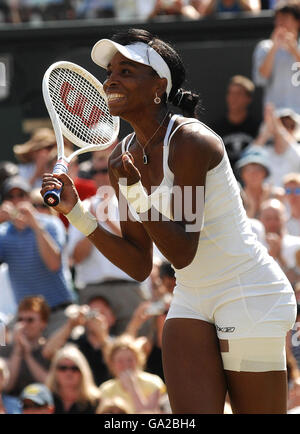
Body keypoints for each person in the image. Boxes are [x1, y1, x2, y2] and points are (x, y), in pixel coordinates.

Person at [41, 28, 297, 414]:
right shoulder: (120, 158)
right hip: (193, 297)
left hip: (250, 293)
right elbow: (140, 264)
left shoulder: (191, 141)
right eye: (111, 71)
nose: (110, 79)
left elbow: (183, 252)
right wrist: (76, 213)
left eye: (126, 71)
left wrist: (137, 195)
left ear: (159, 86)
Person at [67, 150, 147, 335]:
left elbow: (137, 248)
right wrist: (92, 225)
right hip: (93, 291)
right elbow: (76, 258)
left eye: (105, 170)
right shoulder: (83, 207)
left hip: (129, 288)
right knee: (94, 350)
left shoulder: (133, 204)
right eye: (96, 172)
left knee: (134, 349)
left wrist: (108, 222)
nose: (101, 176)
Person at [0, 175, 74, 335]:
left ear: (29, 198)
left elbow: (54, 264)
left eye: (21, 195)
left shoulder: (50, 223)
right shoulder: (3, 232)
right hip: (26, 318)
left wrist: (34, 225)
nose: (16, 201)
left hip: (57, 312)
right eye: (10, 197)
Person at [43, 295, 115, 386]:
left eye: (101, 313)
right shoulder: (76, 343)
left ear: (112, 318)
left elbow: (115, 367)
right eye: (92, 313)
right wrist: (70, 326)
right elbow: (48, 352)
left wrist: (102, 337)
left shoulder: (116, 343)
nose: (96, 317)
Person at [252, 0, 300, 113]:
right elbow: (262, 77)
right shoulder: (264, 47)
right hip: (274, 116)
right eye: (278, 19)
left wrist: (294, 50)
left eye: (285, 18)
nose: (280, 23)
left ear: (297, 22)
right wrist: (274, 47)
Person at [99, 334, 167, 414]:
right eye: (120, 361)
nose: (126, 365)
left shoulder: (154, 382)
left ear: (138, 360)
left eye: (130, 360)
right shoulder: (106, 389)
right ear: (112, 363)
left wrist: (132, 388)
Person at [0, 296, 51, 398]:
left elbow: (51, 385)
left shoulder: (49, 349)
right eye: (20, 320)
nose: (24, 324)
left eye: (30, 320)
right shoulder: (5, 349)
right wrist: (17, 351)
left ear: (43, 323)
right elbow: (7, 386)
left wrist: (28, 355)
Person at [210, 75, 260, 169]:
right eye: (231, 93)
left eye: (238, 94)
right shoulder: (216, 128)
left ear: (248, 99)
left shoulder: (257, 127)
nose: (234, 98)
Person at [252, 104, 300, 187]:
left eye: (291, 126)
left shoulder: (297, 150)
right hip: (267, 199)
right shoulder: (265, 151)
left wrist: (274, 123)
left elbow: (290, 147)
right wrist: (267, 132)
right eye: (283, 124)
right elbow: (248, 157)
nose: (286, 128)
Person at [46, 344, 100, 414]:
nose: (69, 373)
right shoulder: (44, 401)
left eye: (74, 368)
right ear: (54, 372)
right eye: (63, 368)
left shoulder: (95, 403)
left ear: (83, 372)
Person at [259, 198, 300, 287]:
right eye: (268, 218)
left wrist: (279, 256)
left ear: (284, 218)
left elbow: (296, 281)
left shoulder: (297, 244)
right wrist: (272, 255)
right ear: (260, 219)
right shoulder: (255, 246)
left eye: (277, 218)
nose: (272, 223)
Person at [235, 145, 284, 218]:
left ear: (265, 173)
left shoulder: (277, 195)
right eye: (249, 170)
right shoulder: (236, 197)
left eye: (258, 169)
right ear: (242, 174)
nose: (253, 174)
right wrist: (251, 208)